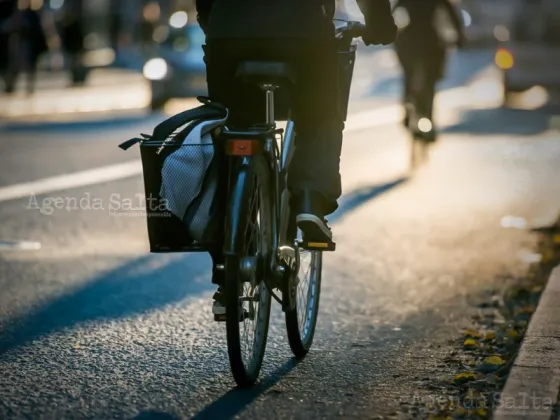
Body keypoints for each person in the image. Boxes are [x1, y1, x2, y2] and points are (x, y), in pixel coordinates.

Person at [195, 0, 397, 314]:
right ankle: (309, 200)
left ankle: (227, 265)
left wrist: (213, 19)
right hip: (303, 34)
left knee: (231, 130)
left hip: (229, 35)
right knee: (319, 118)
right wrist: (380, 22)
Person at [393, 0, 465, 141]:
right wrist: (460, 36)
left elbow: (393, 11)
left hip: (409, 38)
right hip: (429, 37)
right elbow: (451, 13)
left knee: (409, 74)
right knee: (430, 79)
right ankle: (426, 115)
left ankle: (408, 107)